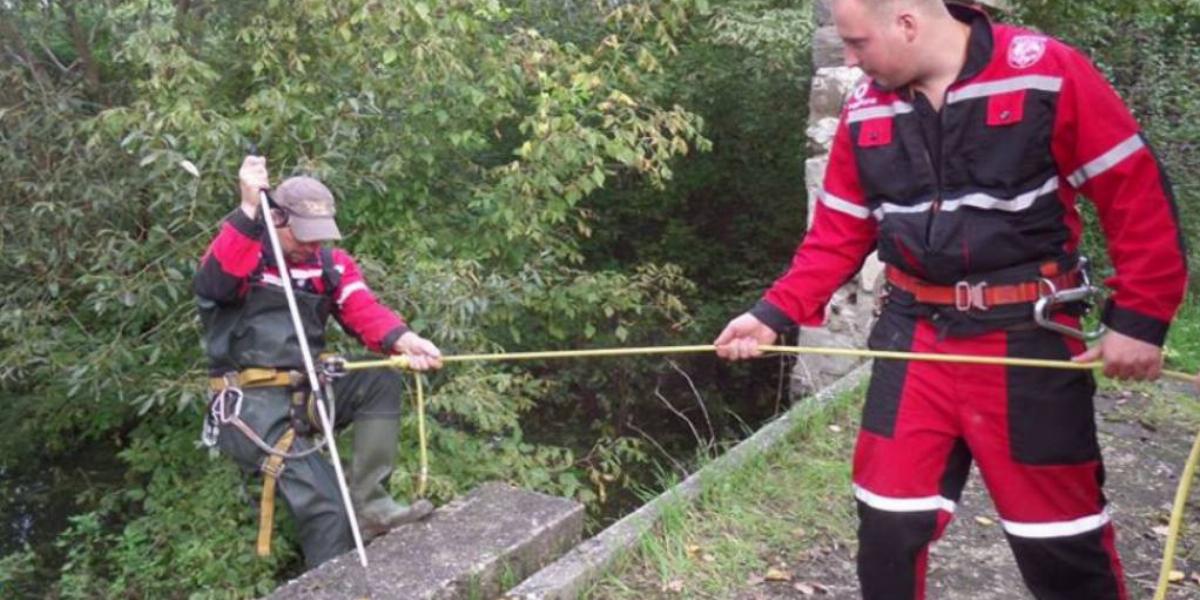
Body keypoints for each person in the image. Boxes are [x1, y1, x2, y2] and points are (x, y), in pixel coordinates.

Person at [714, 1, 1186, 599]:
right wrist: (770, 315)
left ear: (907, 24)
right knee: (886, 525)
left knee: (1059, 540)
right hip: (912, 338)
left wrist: (1140, 319)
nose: (853, 63)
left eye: (858, 44)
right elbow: (836, 234)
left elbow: (1135, 193)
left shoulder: (1045, 70)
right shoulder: (865, 109)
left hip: (1028, 337)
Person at [194, 155, 443, 568]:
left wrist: (405, 340)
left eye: (320, 236)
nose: (314, 245)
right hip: (251, 407)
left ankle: (373, 504)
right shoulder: (247, 257)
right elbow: (213, 284)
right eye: (304, 236)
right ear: (277, 220)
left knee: (380, 376)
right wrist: (248, 209)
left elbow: (363, 309)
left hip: (306, 391)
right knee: (329, 512)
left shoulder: (331, 265)